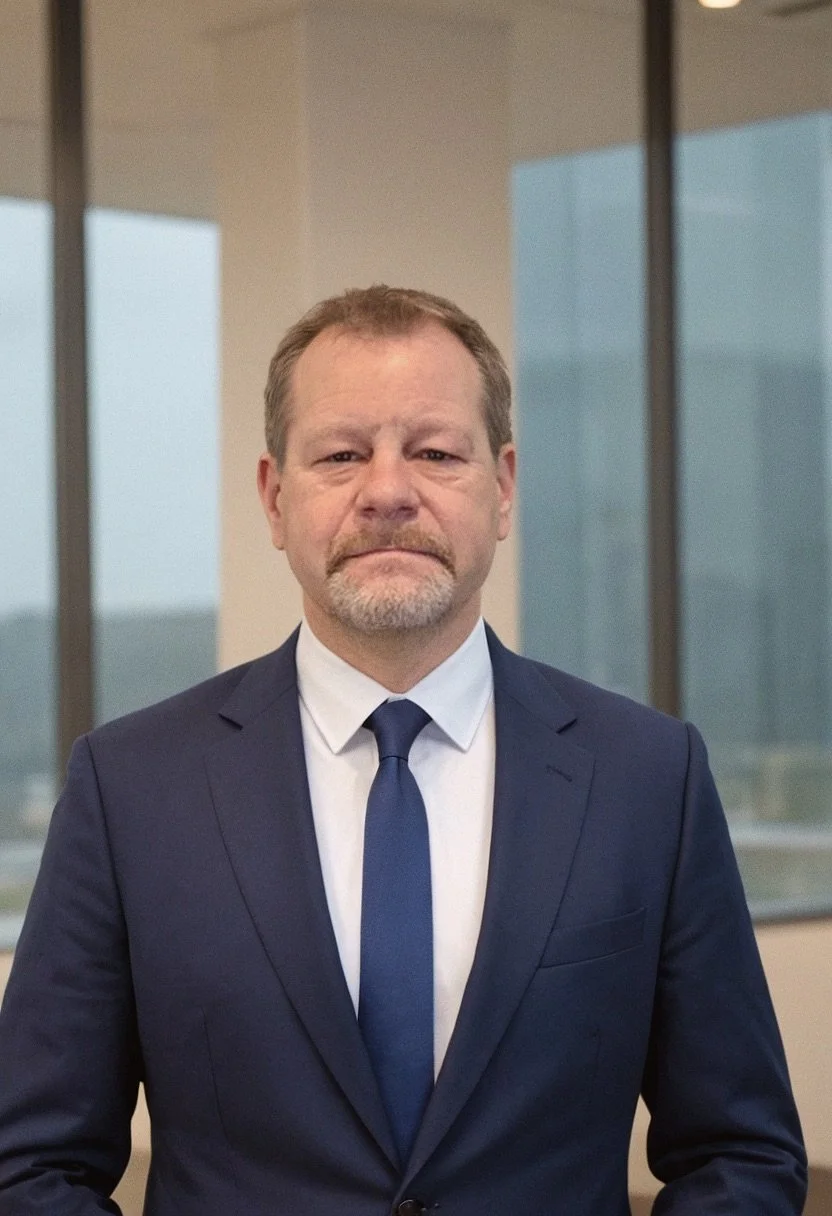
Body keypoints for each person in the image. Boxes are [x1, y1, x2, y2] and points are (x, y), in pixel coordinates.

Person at [0, 286, 807, 1214]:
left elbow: (741, 1153)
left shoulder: (649, 779)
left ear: (503, 488)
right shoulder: (132, 789)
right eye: (342, 455)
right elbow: (30, 1167)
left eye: (435, 452)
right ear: (275, 498)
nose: (387, 492)